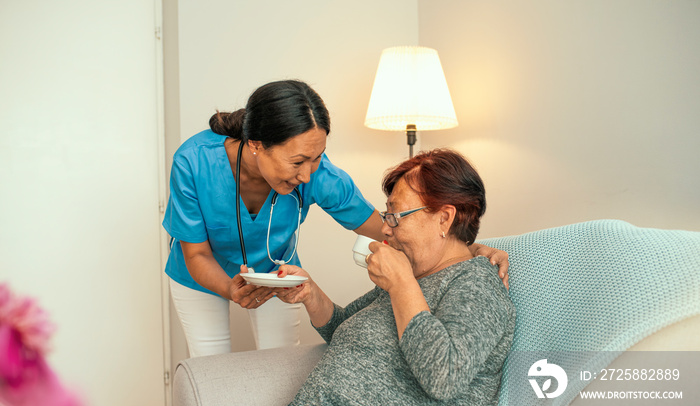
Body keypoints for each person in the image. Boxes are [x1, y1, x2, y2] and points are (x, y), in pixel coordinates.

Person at [191, 148, 516, 406]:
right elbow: (345, 327)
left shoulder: (476, 284)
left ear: (444, 218)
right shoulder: (412, 276)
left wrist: (402, 283)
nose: (385, 229)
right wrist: (309, 293)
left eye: (396, 215)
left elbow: (443, 376)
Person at [163, 79, 510, 357]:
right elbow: (196, 254)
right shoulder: (193, 163)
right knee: (210, 366)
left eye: (318, 157)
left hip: (276, 272)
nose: (308, 174)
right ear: (255, 144)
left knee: (281, 362)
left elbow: (384, 226)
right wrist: (229, 289)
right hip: (201, 274)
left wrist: (464, 247)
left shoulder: (319, 174)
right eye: (297, 161)